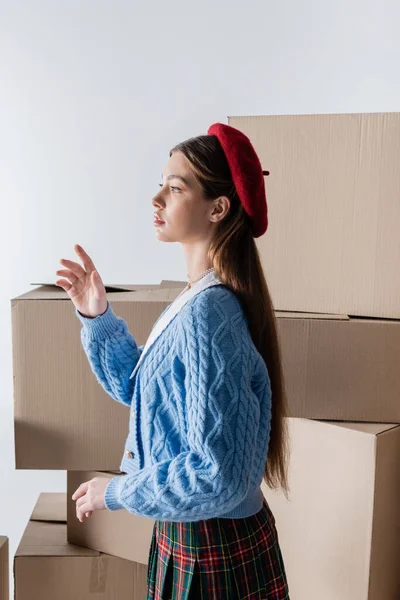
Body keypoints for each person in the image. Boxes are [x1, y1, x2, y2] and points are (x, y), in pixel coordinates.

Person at [55, 122, 291, 599]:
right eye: (161, 183)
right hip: (192, 534)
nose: (156, 198)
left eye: (175, 187)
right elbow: (145, 391)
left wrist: (116, 491)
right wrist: (96, 315)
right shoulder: (198, 299)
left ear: (218, 208)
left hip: (210, 547)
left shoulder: (210, 312)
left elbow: (217, 474)